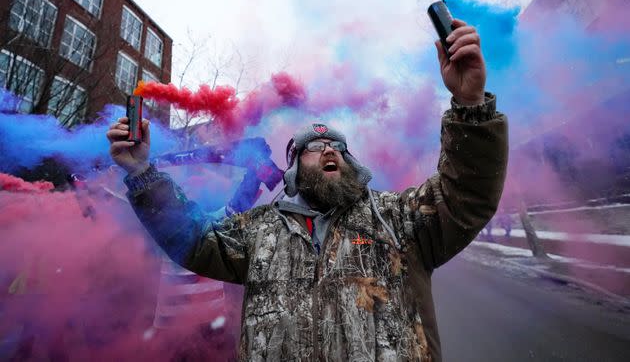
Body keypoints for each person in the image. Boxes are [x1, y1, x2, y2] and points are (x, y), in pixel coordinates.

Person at [106, 19, 508, 362]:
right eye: (315, 148)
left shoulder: (397, 219)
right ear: (296, 170)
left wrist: (469, 103)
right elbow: (192, 239)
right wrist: (141, 171)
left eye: (338, 147)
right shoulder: (260, 232)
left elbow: (465, 195)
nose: (330, 149)